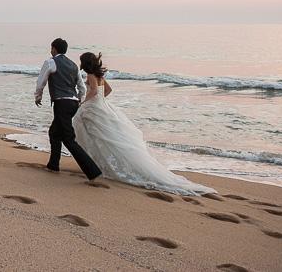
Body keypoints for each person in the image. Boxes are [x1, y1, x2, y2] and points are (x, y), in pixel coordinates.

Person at [73, 51, 215, 195]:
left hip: (94, 108)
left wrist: (84, 103)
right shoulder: (99, 75)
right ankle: (100, 163)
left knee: (97, 136)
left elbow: (94, 91)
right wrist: (101, 102)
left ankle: (99, 163)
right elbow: (108, 90)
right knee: (107, 137)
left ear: (85, 63)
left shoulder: (91, 75)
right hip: (102, 107)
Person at [34, 38, 102, 180]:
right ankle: (53, 165)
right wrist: (77, 99)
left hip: (61, 103)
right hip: (73, 103)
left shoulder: (50, 62)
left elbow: (41, 81)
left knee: (68, 138)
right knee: (54, 133)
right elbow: (82, 87)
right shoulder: (73, 65)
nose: (50, 50)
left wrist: (38, 96)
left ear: (54, 49)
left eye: (51, 48)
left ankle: (93, 171)